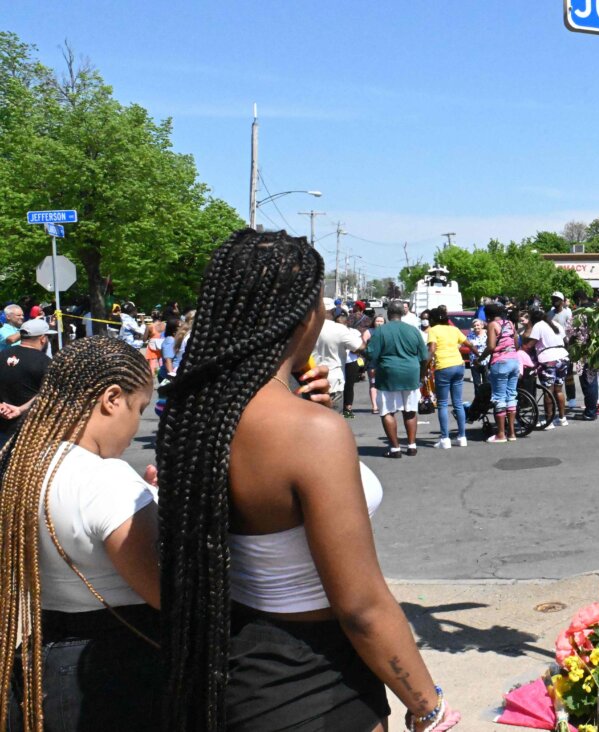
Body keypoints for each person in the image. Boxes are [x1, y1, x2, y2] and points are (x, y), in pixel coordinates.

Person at [155, 230, 457, 732]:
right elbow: (361, 606)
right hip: (317, 683)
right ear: (304, 315)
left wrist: (303, 404)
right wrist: (428, 705)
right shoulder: (310, 433)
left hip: (234, 661)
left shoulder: (195, 414)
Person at [0, 337, 164, 732]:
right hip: (114, 669)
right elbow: (165, 592)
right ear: (111, 399)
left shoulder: (22, 464)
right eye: (139, 409)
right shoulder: (105, 479)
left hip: (43, 660)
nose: (134, 428)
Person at [369, 303, 431, 456]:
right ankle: (411, 445)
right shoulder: (413, 330)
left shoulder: (381, 331)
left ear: (388, 313)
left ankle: (395, 448)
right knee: (410, 410)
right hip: (411, 373)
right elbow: (425, 357)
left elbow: (371, 354)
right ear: (402, 313)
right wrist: (421, 375)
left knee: (387, 411)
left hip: (387, 374)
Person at [0, 319, 54, 444]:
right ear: (42, 339)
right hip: (30, 430)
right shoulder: (45, 362)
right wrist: (20, 409)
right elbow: (48, 392)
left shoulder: (3, 354)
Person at [426, 306, 469, 448]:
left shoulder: (433, 330)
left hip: (443, 366)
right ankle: (462, 437)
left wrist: (424, 367)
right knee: (458, 402)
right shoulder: (454, 329)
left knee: (443, 403)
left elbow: (432, 350)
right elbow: (469, 344)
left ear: (432, 319)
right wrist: (479, 357)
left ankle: (445, 439)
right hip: (459, 365)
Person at [313, 303, 365, 413]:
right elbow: (359, 347)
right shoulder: (339, 329)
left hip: (312, 379)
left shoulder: (309, 327)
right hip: (333, 381)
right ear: (332, 312)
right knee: (333, 418)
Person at [527, 307, 570, 430]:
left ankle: (548, 421)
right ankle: (562, 418)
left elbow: (531, 344)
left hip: (548, 359)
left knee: (548, 391)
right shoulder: (555, 324)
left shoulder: (538, 326)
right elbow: (565, 340)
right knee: (559, 390)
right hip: (563, 357)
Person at [484, 302, 522, 443]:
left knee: (499, 397)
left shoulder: (492, 325)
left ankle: (501, 434)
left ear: (489, 315)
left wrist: (480, 358)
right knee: (511, 395)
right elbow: (517, 343)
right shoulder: (510, 323)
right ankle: (512, 433)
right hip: (514, 361)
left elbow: (491, 347)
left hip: (500, 362)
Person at [336, 313, 364, 419]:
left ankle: (348, 408)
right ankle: (336, 408)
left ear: (346, 323)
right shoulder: (333, 332)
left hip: (350, 361)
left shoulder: (353, 332)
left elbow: (360, 347)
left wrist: (354, 350)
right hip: (337, 361)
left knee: (349, 385)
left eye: (342, 323)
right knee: (337, 385)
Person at [366, 314, 386, 414]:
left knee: (385, 383)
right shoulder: (369, 332)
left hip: (385, 361)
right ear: (373, 322)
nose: (379, 323)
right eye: (377, 321)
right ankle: (375, 406)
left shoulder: (388, 332)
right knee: (373, 383)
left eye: (381, 321)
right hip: (373, 362)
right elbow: (363, 345)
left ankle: (385, 404)